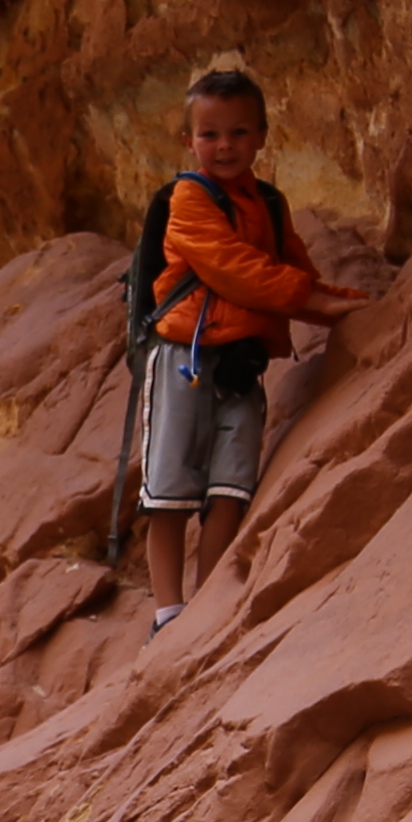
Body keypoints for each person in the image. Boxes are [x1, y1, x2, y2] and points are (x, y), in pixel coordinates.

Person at [119, 68, 367, 627]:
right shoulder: (189, 197)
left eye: (238, 133)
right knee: (170, 485)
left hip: (241, 363)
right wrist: (316, 302)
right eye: (209, 134)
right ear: (189, 142)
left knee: (230, 484)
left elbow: (290, 273)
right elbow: (237, 272)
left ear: (261, 136)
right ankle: (167, 611)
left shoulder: (270, 204)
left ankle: (206, 603)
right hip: (186, 356)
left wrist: (340, 300)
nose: (224, 146)